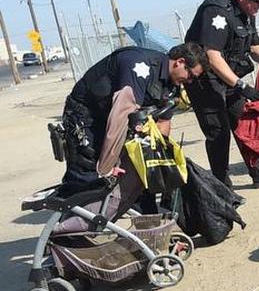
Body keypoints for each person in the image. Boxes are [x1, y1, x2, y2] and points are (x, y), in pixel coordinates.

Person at [59, 43, 207, 194]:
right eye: (190, 76)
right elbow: (121, 116)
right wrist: (106, 168)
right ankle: (73, 214)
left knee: (136, 176)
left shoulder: (171, 84)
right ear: (180, 62)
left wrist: (157, 161)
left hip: (113, 119)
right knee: (88, 178)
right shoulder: (138, 64)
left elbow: (163, 122)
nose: (190, 82)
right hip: (86, 114)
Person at [184, 0, 259, 187]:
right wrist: (242, 86)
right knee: (218, 132)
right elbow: (212, 56)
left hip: (229, 78)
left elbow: (253, 47)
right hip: (204, 80)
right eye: (257, 1)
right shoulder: (216, 11)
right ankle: (223, 187)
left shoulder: (247, 13)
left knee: (246, 122)